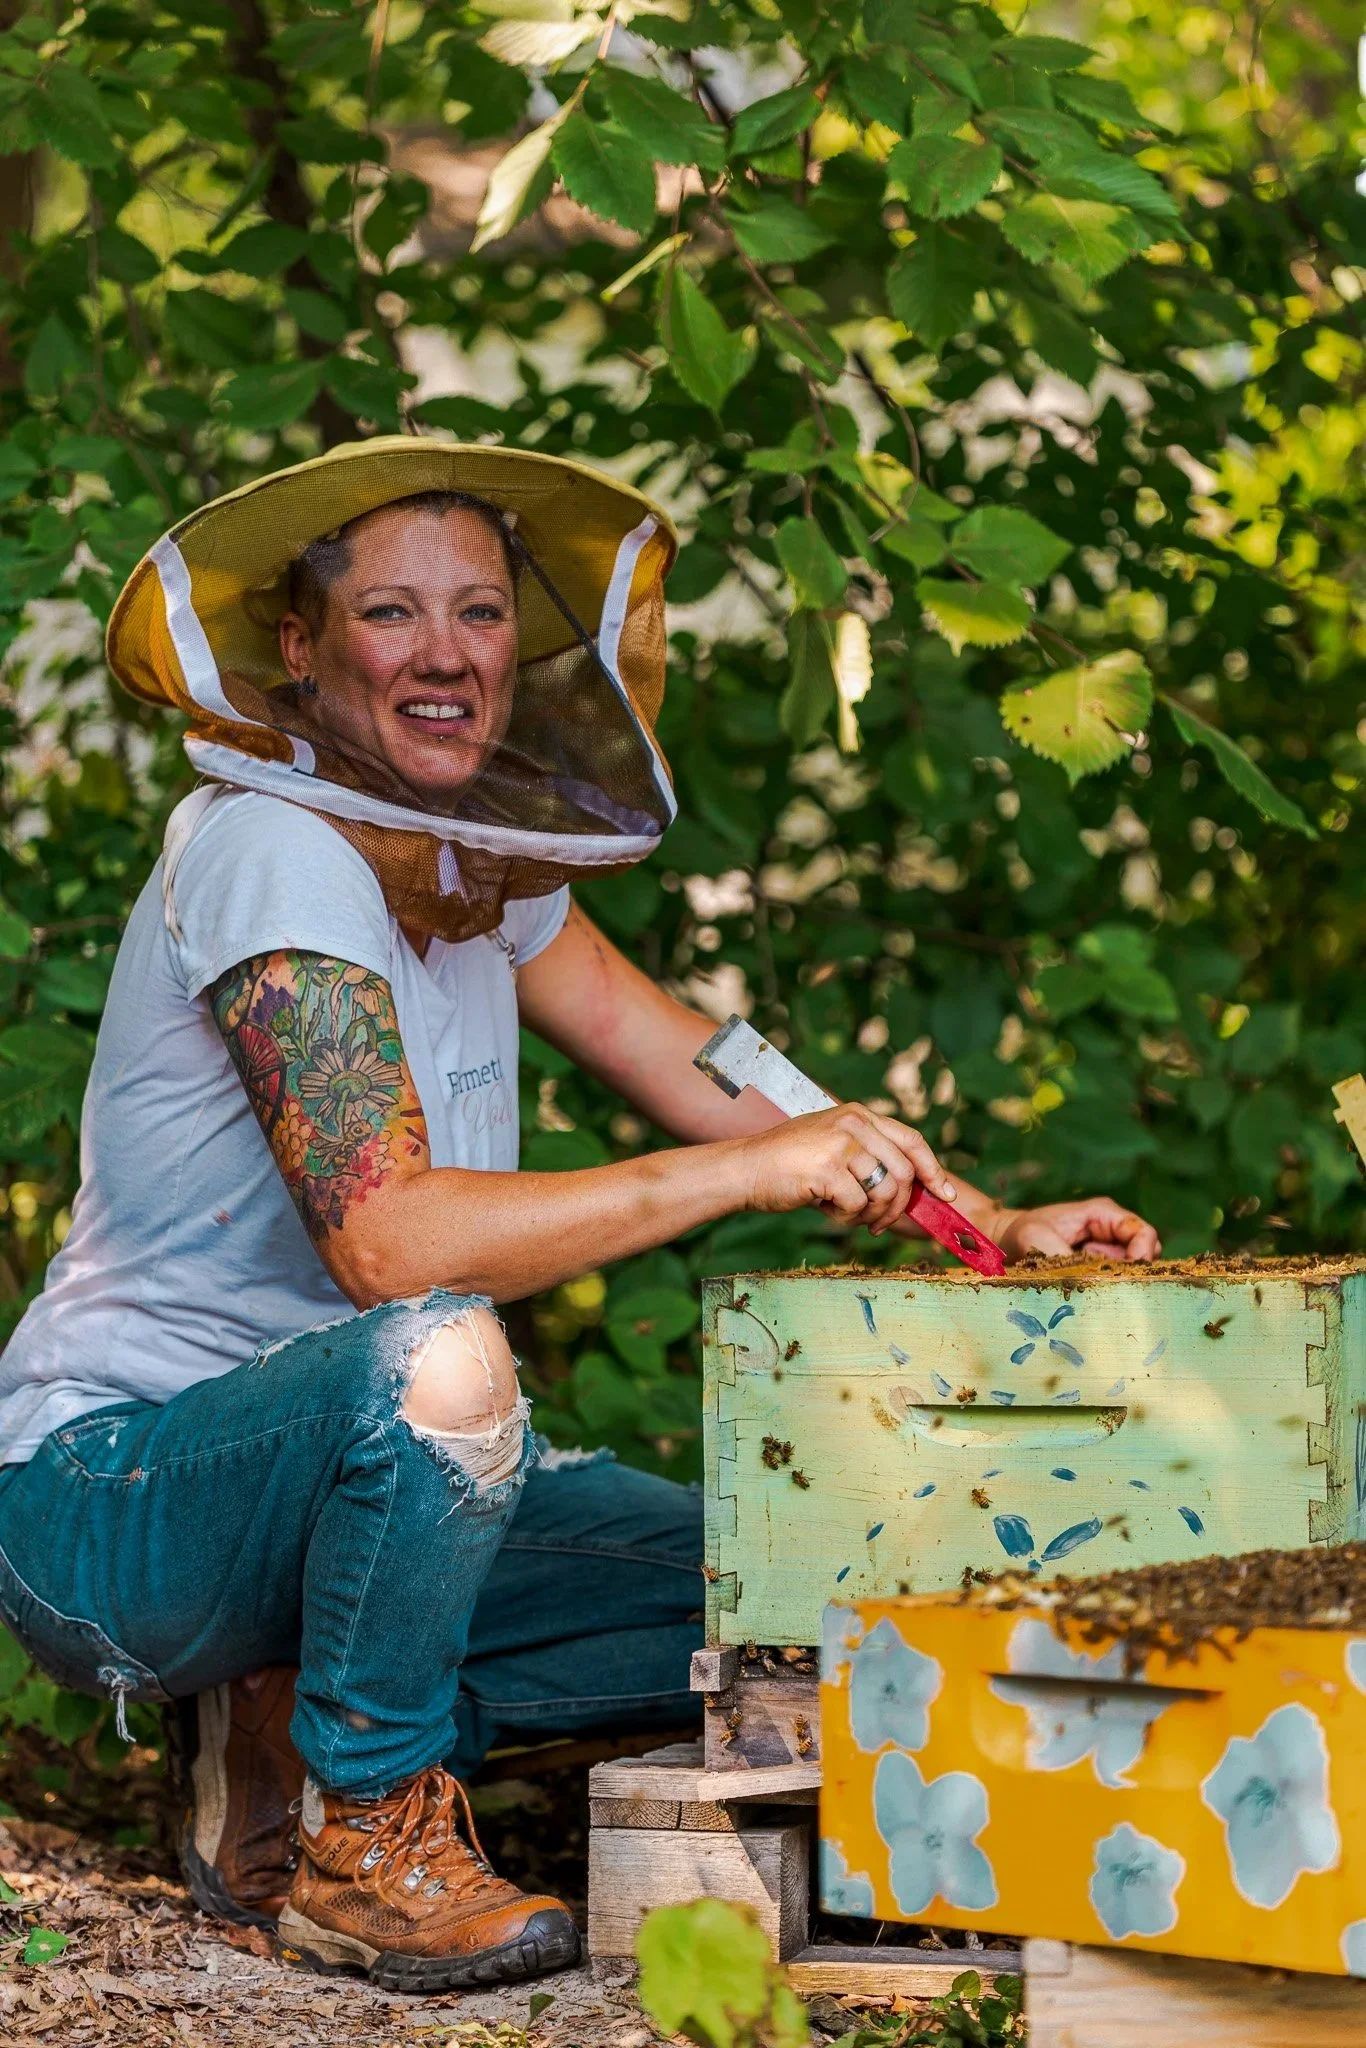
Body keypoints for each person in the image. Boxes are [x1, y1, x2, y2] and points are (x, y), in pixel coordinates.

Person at [0, 440, 1160, 1992]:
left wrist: (975, 1211)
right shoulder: (273, 847)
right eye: (394, 615)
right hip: (116, 1496)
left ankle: (294, 1722)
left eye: (479, 615)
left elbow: (683, 1056)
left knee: (807, 1590)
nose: (446, 656)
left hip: (370, 1492)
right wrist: (747, 1176)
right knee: (443, 1359)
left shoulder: (482, 863)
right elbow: (389, 1241)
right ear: (300, 647)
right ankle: (364, 1841)